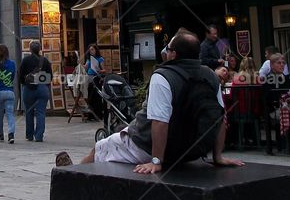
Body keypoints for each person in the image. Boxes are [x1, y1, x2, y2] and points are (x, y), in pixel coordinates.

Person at [56, 31, 243, 172]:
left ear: (173, 54)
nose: (166, 52)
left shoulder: (163, 76)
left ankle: (72, 175)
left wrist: (156, 161)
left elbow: (159, 122)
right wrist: (218, 156)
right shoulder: (210, 76)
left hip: (147, 145)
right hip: (193, 148)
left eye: (168, 49)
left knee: (100, 147)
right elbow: (220, 116)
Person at [19, 40, 53, 142]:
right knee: (41, 113)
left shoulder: (26, 60)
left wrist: (25, 83)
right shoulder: (45, 61)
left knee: (29, 112)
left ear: (30, 49)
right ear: (39, 49)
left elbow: (21, 75)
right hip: (42, 88)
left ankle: (29, 135)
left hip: (29, 88)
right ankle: (39, 136)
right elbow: (50, 76)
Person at [0, 44, 16, 144]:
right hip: (9, 91)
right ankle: (11, 134)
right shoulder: (12, 63)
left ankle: (0, 134)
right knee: (10, 114)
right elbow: (13, 76)